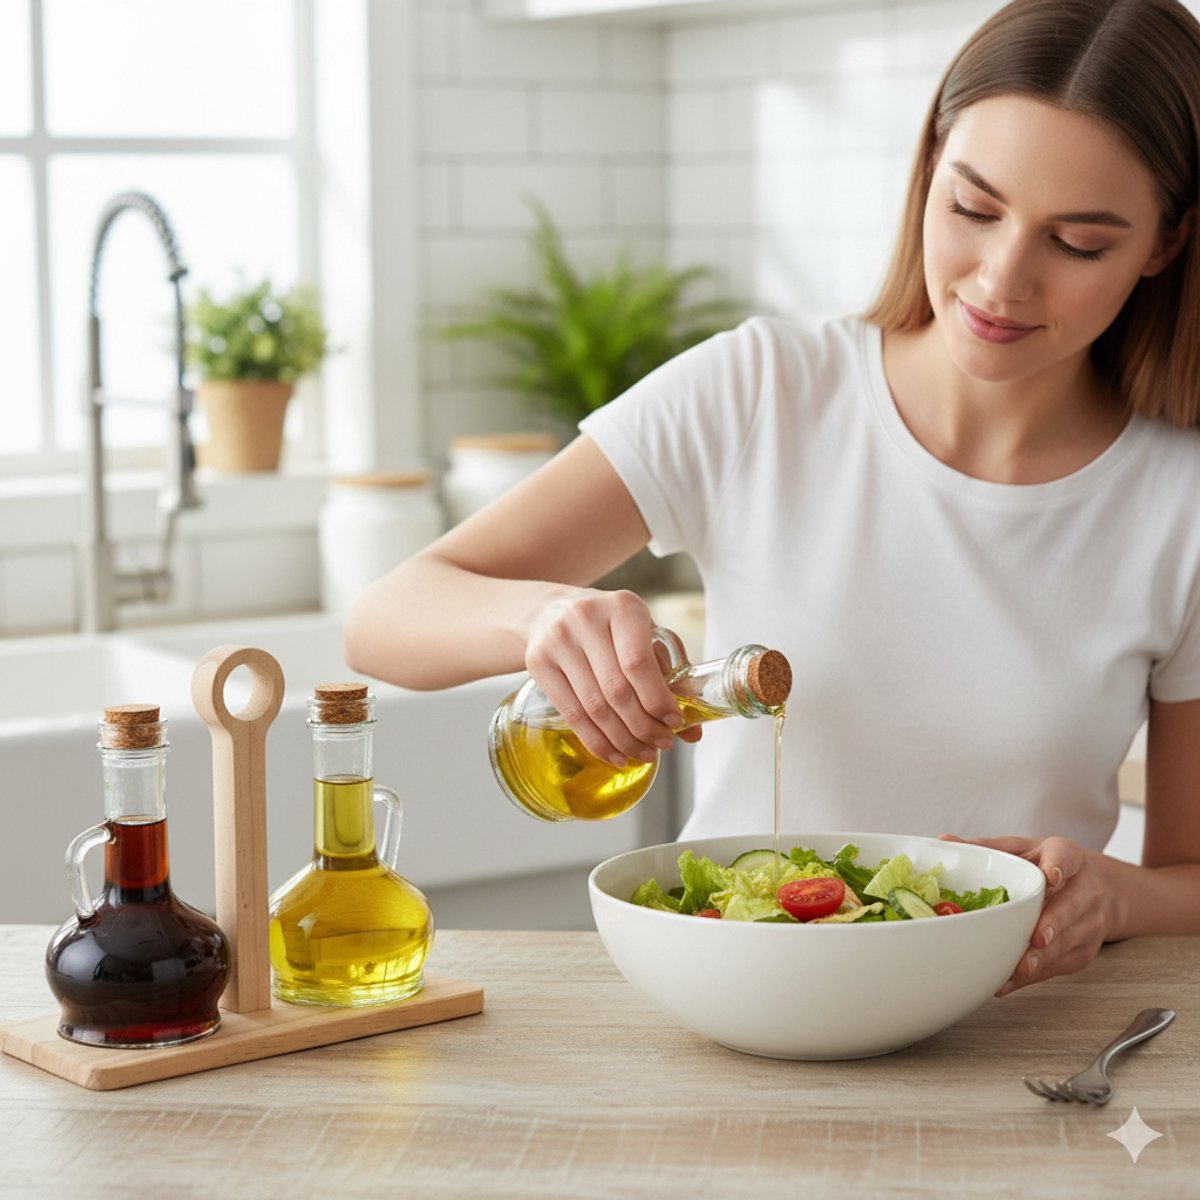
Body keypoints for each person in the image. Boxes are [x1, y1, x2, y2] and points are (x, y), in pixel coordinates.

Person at [346, 0, 1200, 997]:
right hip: (737, 1009)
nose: (1003, 278)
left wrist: (1112, 894)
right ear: (927, 172)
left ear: (1165, 244)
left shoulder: (1176, 500)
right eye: (973, 208)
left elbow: (1191, 876)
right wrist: (543, 614)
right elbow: (384, 620)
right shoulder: (760, 392)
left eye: (1079, 243)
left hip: (1017, 1042)